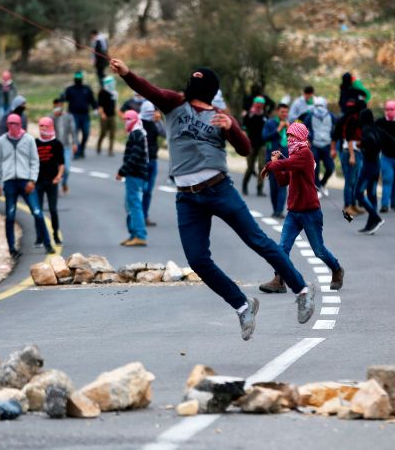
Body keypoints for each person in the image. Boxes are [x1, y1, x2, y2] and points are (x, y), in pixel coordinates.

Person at [109, 58, 316, 340]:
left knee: (257, 240)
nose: (192, 86)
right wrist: (127, 74)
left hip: (219, 189)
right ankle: (243, 306)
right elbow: (150, 90)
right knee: (197, 259)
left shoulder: (220, 115)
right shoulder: (174, 104)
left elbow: (244, 149)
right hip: (187, 199)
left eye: (198, 83)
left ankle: (302, 290)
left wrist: (230, 125)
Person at [258, 122, 345, 293]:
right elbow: (283, 181)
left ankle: (336, 269)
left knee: (318, 251)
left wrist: (270, 165)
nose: (289, 139)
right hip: (293, 212)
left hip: (310, 212)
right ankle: (279, 280)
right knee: (282, 248)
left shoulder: (305, 154)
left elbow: (285, 165)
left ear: (300, 137)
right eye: (288, 135)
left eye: (292, 135)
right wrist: (275, 165)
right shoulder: (293, 155)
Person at [0, 114, 55, 259]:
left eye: (15, 123)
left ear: (20, 124)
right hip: (9, 183)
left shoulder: (28, 140)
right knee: (10, 215)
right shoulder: (2, 141)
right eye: (9, 124)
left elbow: (35, 161)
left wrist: (32, 180)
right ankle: (12, 248)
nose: (12, 127)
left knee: (37, 212)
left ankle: (47, 243)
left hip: (26, 181)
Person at [117, 110, 149, 247]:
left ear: (135, 120)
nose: (126, 121)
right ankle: (133, 235)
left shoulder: (137, 134)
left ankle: (140, 235)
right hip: (134, 174)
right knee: (130, 205)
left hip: (135, 174)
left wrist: (122, 171)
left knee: (134, 205)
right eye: (124, 119)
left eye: (128, 119)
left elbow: (134, 156)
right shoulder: (136, 133)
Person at [34, 117, 65, 246]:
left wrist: (59, 176)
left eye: (46, 126)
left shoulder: (56, 143)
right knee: (38, 210)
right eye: (41, 126)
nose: (43, 128)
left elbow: (62, 163)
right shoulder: (35, 142)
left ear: (51, 126)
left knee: (53, 209)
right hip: (38, 181)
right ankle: (39, 237)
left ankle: (56, 235)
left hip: (52, 181)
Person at [332, 98, 365, 216]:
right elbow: (348, 137)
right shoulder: (351, 119)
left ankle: (353, 204)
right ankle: (347, 206)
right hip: (350, 152)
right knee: (350, 181)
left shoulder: (355, 119)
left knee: (355, 180)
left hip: (356, 151)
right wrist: (351, 155)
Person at [356, 108, 384, 234]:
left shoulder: (366, 130)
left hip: (368, 165)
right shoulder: (376, 128)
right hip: (376, 164)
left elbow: (369, 141)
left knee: (359, 193)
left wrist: (362, 145)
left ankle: (376, 218)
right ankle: (370, 224)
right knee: (372, 195)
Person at [303, 96, 335, 198]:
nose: (319, 108)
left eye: (321, 105)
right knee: (315, 168)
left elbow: (338, 128)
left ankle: (323, 183)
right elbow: (303, 128)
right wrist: (307, 140)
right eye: (317, 106)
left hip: (327, 145)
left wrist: (334, 145)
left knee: (330, 167)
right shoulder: (310, 116)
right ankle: (317, 188)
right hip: (314, 145)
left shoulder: (331, 116)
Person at [376, 100, 395, 212]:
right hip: (386, 157)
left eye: (391, 109)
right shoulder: (380, 122)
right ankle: (384, 204)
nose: (389, 112)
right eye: (387, 109)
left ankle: (394, 203)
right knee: (387, 180)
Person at [60, 71, 97, 159]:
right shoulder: (70, 89)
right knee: (75, 134)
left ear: (82, 79)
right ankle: (77, 152)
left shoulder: (87, 89)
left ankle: (82, 148)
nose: (78, 80)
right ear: (74, 79)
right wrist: (61, 98)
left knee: (86, 133)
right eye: (77, 78)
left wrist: (95, 108)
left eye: (79, 78)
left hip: (85, 115)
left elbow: (92, 100)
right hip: (73, 115)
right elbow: (64, 99)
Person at [140, 100, 166, 226]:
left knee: (148, 191)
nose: (151, 114)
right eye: (148, 112)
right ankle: (137, 216)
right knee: (142, 189)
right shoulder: (138, 123)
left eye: (152, 112)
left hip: (153, 159)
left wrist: (159, 120)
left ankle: (145, 216)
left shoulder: (155, 123)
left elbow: (165, 133)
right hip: (141, 161)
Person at [262, 104, 290, 218]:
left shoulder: (290, 124)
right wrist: (278, 129)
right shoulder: (270, 123)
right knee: (274, 186)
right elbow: (264, 137)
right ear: (277, 112)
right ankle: (275, 210)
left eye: (286, 112)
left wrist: (288, 129)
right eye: (282, 112)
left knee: (283, 184)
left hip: (285, 159)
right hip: (273, 158)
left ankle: (279, 211)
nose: (285, 114)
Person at [241, 96, 268, 197]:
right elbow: (243, 128)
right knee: (250, 167)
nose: (259, 105)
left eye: (261, 103)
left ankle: (259, 188)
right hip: (251, 144)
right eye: (258, 103)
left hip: (262, 144)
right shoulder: (249, 115)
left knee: (262, 167)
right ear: (254, 103)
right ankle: (244, 185)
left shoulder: (265, 116)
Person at [52, 98, 77, 195]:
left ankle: (64, 182)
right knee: (54, 168)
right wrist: (54, 118)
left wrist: (75, 143)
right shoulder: (51, 117)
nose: (58, 107)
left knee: (66, 168)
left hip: (66, 146)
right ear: (54, 106)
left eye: (60, 105)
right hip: (54, 147)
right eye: (56, 105)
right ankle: (55, 187)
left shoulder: (69, 117)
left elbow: (73, 130)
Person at [97, 75, 118, 156]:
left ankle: (110, 150)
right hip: (104, 115)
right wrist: (102, 114)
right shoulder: (102, 92)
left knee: (112, 133)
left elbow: (115, 104)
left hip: (112, 115)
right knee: (103, 133)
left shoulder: (114, 92)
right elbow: (100, 105)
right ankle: (99, 146)